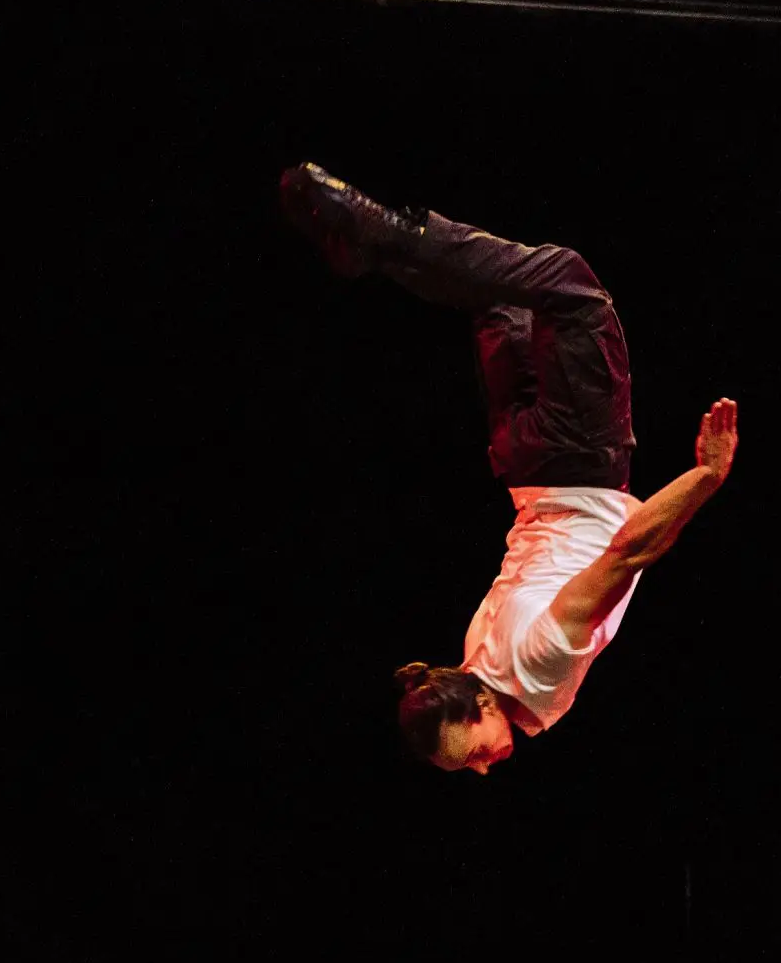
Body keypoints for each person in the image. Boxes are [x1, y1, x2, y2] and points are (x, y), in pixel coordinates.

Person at [277, 163, 739, 774]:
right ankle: (378, 252)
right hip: (521, 466)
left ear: (478, 708)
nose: (486, 767)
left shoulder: (533, 665)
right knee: (499, 296)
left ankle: (382, 235)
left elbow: (626, 551)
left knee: (572, 291)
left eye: (472, 754)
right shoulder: (472, 659)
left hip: (578, 458)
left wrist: (706, 477)